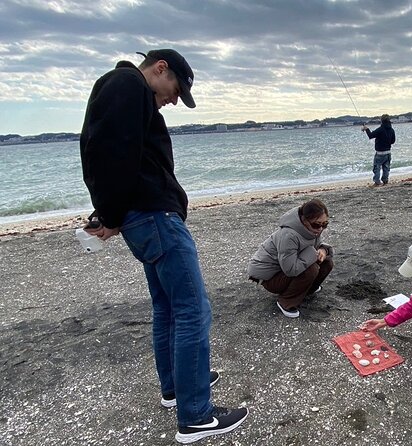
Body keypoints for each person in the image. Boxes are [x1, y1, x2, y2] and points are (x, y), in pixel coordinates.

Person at [79, 49, 248, 444]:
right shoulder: (127, 84)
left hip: (143, 217)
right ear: (160, 69)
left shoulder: (121, 89)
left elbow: (101, 153)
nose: (173, 100)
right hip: (155, 217)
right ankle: (196, 416)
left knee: (168, 306)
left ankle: (175, 387)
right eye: (175, 90)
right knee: (192, 310)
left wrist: (109, 212)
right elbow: (112, 153)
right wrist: (111, 214)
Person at [247, 199, 334, 318]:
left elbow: (316, 247)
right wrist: (313, 253)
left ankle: (307, 290)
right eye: (316, 224)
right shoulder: (288, 235)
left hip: (285, 270)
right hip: (269, 277)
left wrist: (323, 250)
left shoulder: (313, 231)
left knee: (327, 262)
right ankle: (285, 302)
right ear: (304, 220)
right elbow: (291, 270)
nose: (320, 229)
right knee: (311, 269)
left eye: (325, 224)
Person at [362, 114, 396, 186]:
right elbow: (393, 141)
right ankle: (385, 181)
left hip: (380, 153)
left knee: (377, 168)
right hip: (388, 152)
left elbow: (370, 136)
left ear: (382, 120)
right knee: (386, 168)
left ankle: (377, 182)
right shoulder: (391, 130)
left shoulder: (380, 129)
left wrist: (366, 129)